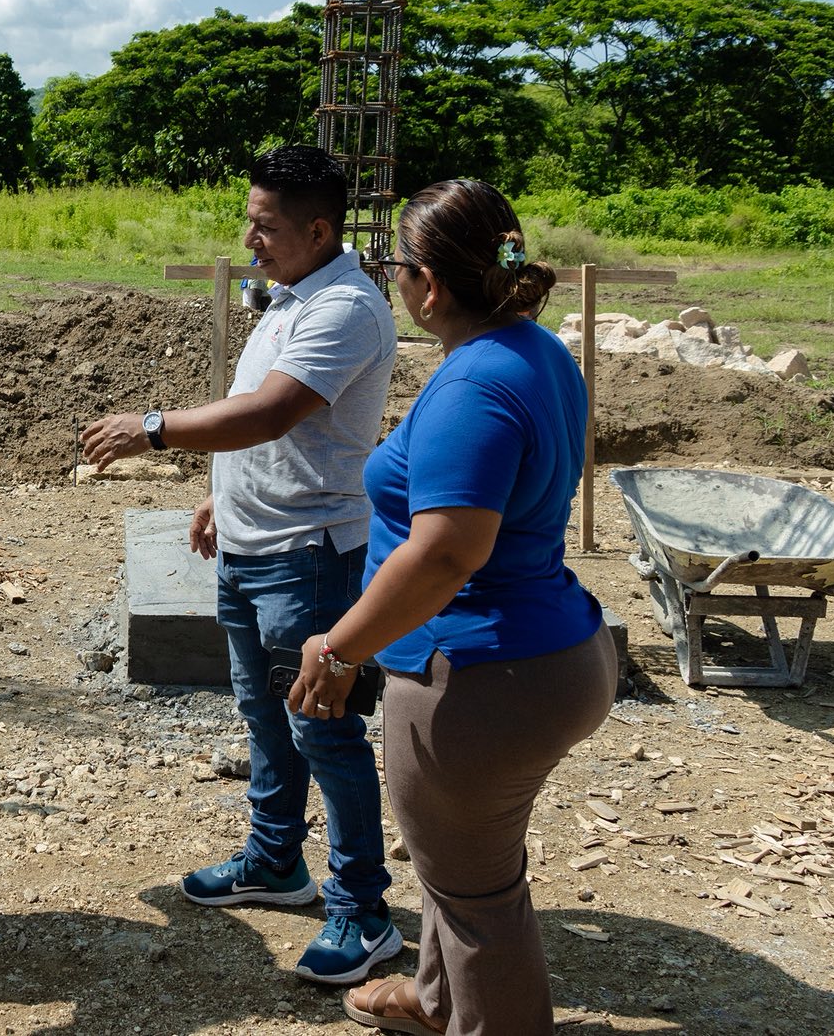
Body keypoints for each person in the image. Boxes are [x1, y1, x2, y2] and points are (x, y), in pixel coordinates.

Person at [283, 179, 616, 1036]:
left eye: (394, 265)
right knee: (461, 866)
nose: (390, 279)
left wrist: (339, 647)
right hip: (544, 652)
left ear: (428, 285)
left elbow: (445, 553)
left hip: (478, 678)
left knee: (478, 900)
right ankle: (437, 1003)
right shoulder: (534, 350)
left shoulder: (474, 386)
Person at [80, 144, 401, 987]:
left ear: (319, 230)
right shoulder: (291, 296)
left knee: (323, 729)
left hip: (308, 556)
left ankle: (363, 911)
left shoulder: (347, 308)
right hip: (252, 544)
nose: (249, 240)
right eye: (249, 222)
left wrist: (153, 429)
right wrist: (221, 493)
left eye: (265, 226)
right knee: (266, 718)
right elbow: (265, 425)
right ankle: (274, 862)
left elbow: (272, 413)